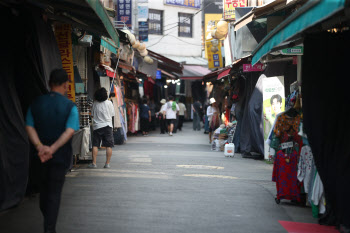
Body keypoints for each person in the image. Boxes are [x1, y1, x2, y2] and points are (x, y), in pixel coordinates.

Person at [25, 69, 80, 233]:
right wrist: (52, 149)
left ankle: (49, 225)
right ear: (66, 85)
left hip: (38, 156)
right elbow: (69, 131)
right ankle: (50, 230)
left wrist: (40, 147)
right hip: (59, 157)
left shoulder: (36, 103)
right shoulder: (70, 106)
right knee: (54, 194)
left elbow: (29, 126)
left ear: (49, 84)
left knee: (44, 192)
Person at [89, 87, 115, 169]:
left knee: (95, 145)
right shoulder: (109, 103)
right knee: (109, 146)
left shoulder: (95, 104)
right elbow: (112, 114)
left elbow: (92, 115)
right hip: (108, 126)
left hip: (97, 127)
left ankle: (94, 163)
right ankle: (107, 163)